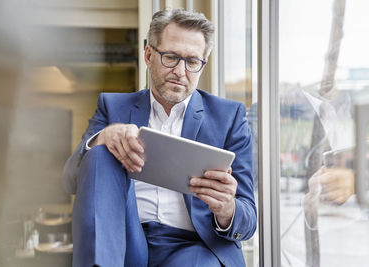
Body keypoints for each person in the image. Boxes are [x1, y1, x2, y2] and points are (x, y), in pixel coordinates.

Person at [63, 9, 257, 267]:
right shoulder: (112, 106)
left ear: (203, 64)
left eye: (192, 62)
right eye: (171, 57)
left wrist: (227, 209)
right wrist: (103, 137)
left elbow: (249, 219)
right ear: (149, 55)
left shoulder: (229, 116)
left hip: (193, 245)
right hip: (124, 241)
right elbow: (69, 181)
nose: (180, 71)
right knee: (99, 150)